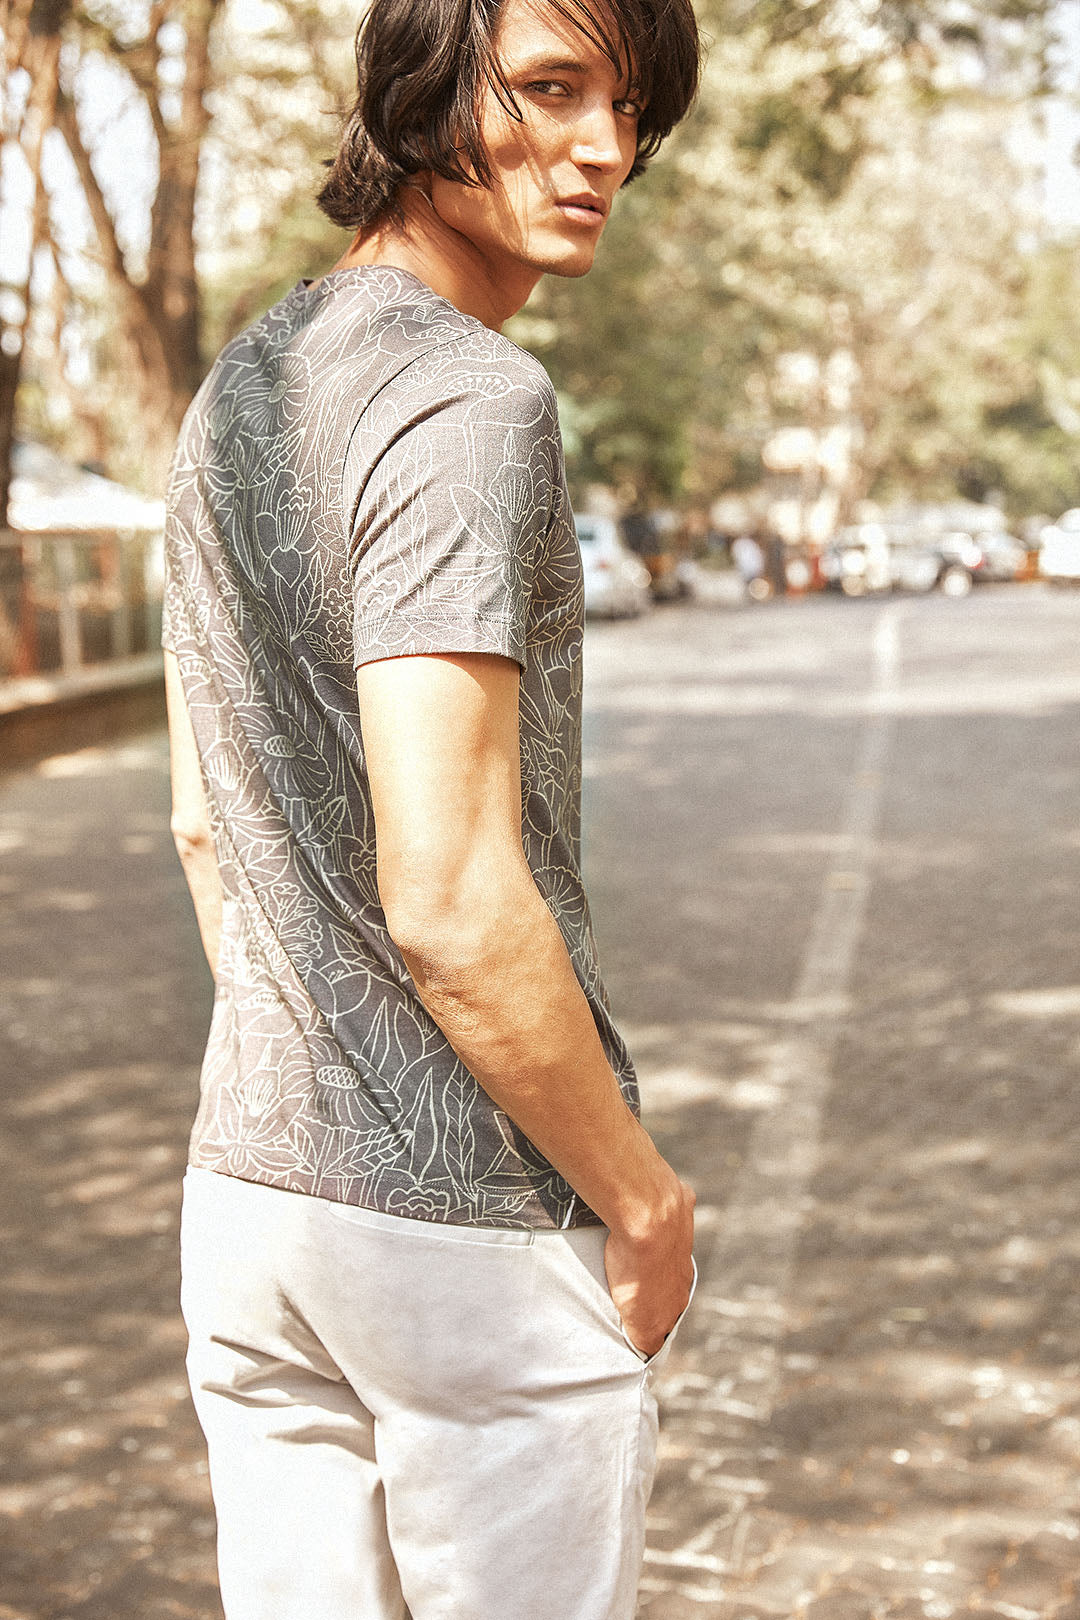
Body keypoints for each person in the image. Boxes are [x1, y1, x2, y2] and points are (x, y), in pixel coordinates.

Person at [162, 0, 701, 1614]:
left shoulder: (241, 387)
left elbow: (204, 825)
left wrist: (318, 1076)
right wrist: (642, 1195)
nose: (602, 149)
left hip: (255, 1206)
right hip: (468, 1235)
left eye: (629, 108)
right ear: (419, 94)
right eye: (550, 89)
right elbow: (452, 897)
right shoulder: (470, 401)